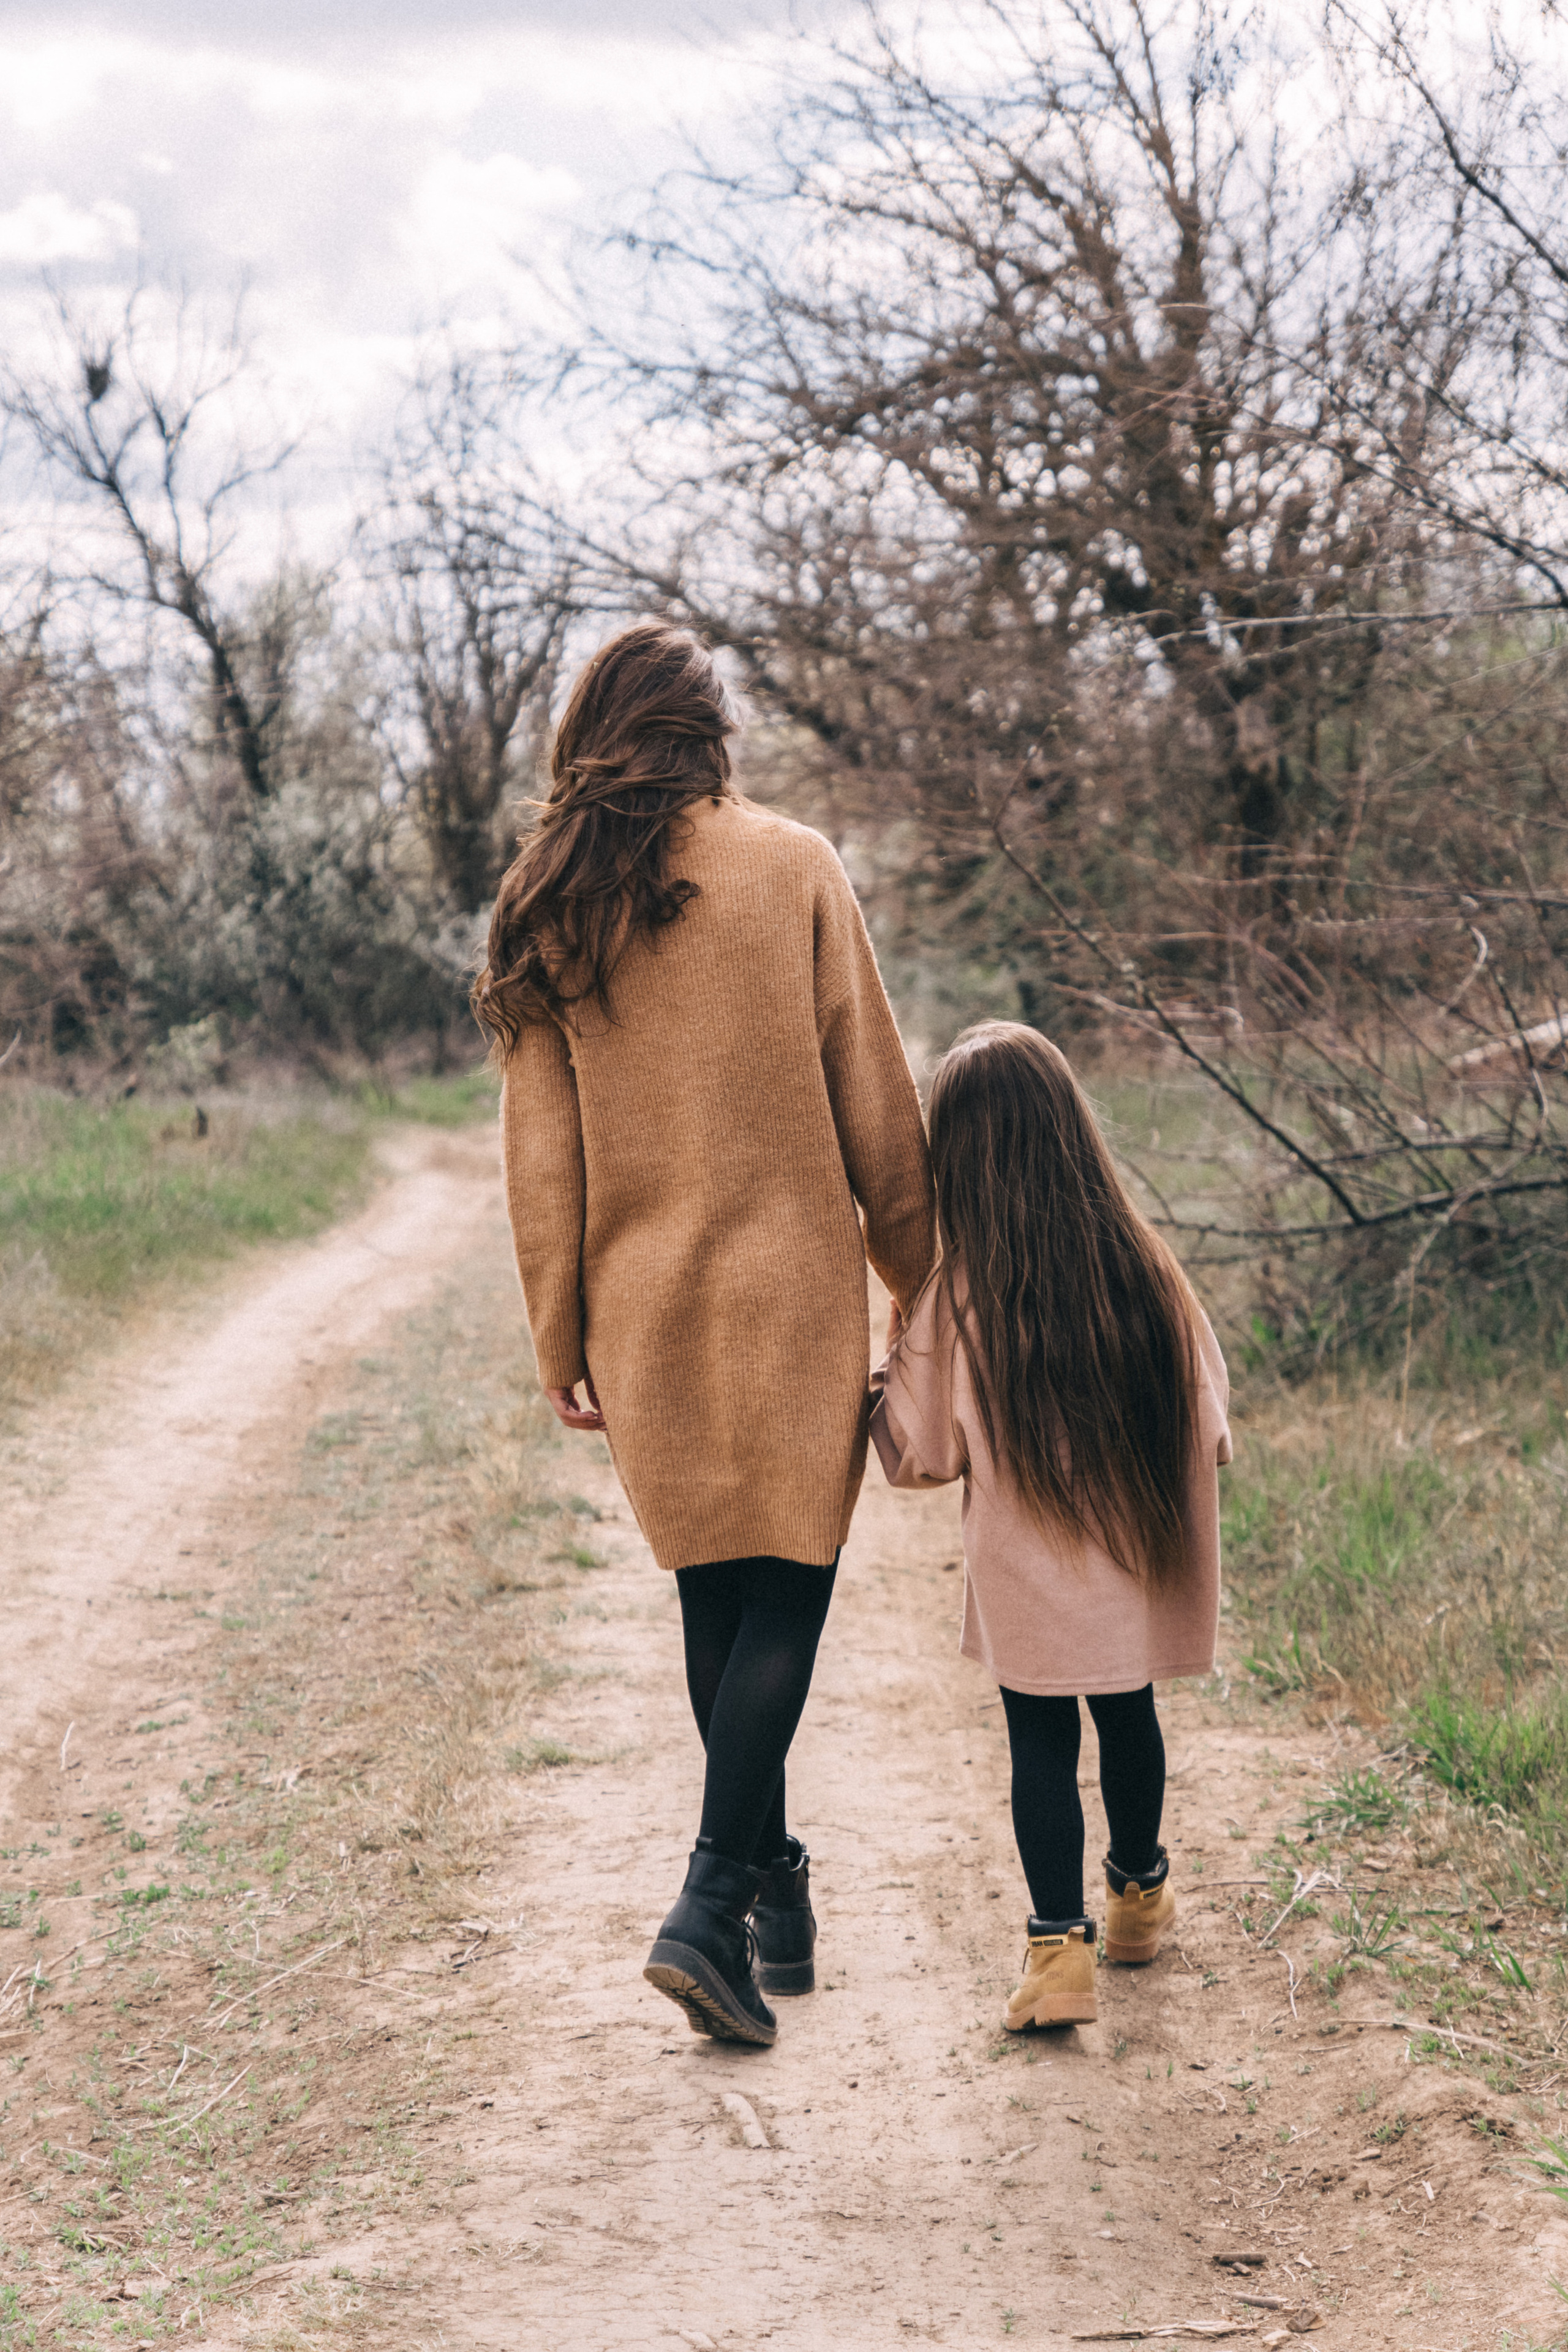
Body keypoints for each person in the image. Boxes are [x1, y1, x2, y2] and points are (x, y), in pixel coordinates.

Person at [475, 623, 934, 2048]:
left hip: (644, 1305)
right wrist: (922, 1269)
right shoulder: (792, 864)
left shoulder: (552, 901)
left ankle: (772, 1887)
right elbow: (872, 1092)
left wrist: (559, 1329)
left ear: (588, 735)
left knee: (711, 1602)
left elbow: (540, 1151)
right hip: (790, 1291)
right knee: (784, 1597)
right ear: (706, 729)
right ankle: (707, 1899)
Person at [869, 1022, 1231, 2031]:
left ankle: (1056, 1952)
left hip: (1026, 1575)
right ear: (1072, 1127)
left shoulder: (961, 1298)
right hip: (1134, 1554)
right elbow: (1211, 1416)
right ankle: (1139, 1898)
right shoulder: (1146, 1266)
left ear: (957, 1162)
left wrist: (892, 1344)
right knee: (1129, 1716)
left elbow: (918, 1453)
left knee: (1039, 1743)